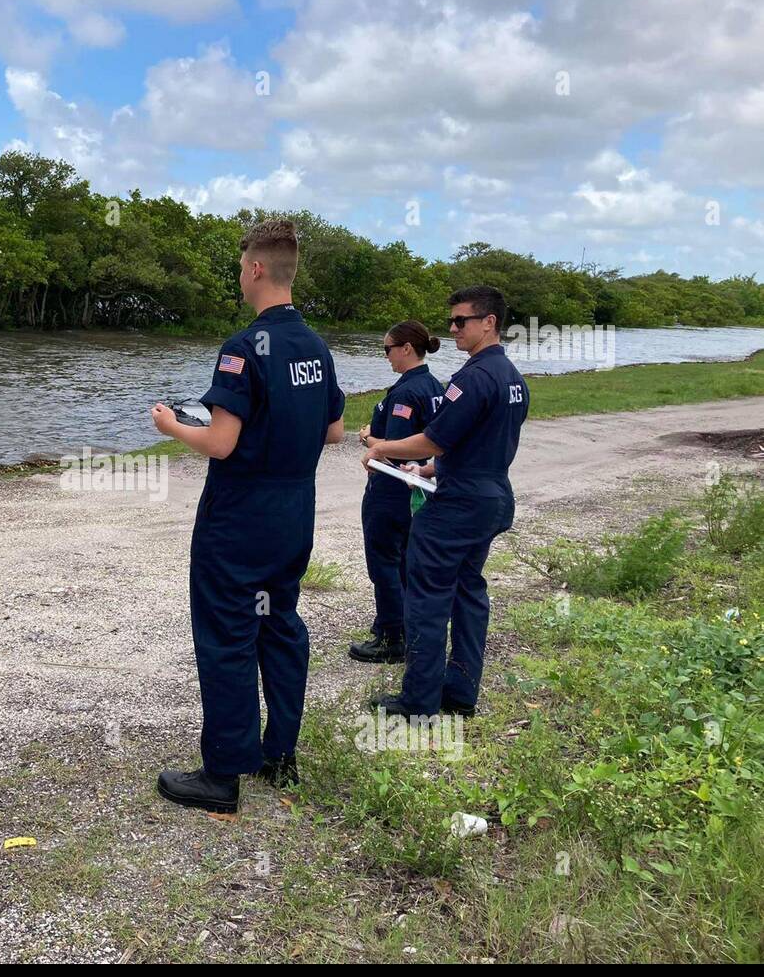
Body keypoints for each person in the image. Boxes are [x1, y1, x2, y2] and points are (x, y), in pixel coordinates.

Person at [149, 219, 345, 813]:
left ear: (256, 269)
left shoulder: (243, 347)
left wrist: (173, 425)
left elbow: (222, 444)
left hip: (239, 517)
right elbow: (333, 430)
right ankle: (280, 753)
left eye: (241, 267)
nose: (239, 276)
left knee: (228, 634)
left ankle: (223, 774)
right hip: (294, 511)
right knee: (279, 623)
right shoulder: (316, 347)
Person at [361, 285, 528, 717]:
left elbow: (433, 438)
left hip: (458, 506)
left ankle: (418, 701)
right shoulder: (513, 378)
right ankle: (460, 693)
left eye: (461, 320)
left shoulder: (472, 378)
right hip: (490, 495)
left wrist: (382, 448)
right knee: (469, 593)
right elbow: (477, 444)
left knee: (427, 599)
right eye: (451, 320)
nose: (452, 328)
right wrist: (431, 468)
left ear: (489, 322)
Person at [349, 322, 444, 665]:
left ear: (406, 349)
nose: (385, 356)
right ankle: (404, 626)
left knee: (384, 562)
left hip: (391, 487)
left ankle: (391, 636)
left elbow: (397, 448)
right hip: (416, 487)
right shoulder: (434, 385)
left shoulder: (406, 393)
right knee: (404, 559)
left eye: (387, 349)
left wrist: (369, 440)